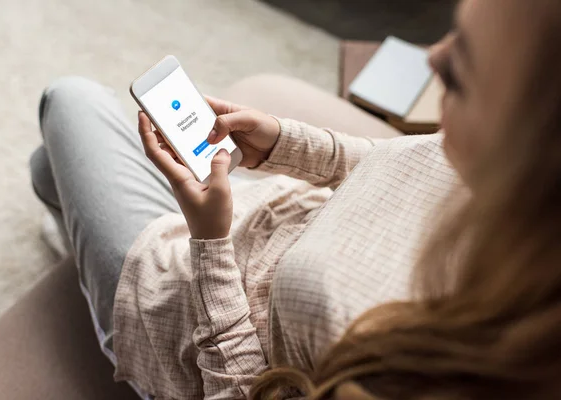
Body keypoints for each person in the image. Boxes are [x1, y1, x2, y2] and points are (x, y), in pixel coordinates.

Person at [29, 0, 561, 398]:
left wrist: (209, 240)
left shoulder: (437, 368)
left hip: (186, 309)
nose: (432, 59)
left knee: (69, 99)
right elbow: (398, 167)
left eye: (460, 69)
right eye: (452, 35)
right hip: (265, 214)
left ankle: (101, 303)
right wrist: (283, 144)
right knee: (49, 167)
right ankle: (73, 229)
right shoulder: (511, 188)